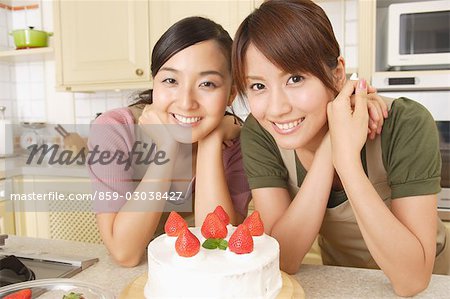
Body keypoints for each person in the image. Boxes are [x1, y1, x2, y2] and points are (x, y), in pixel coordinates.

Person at [232, 0, 449, 296]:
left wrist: (347, 161)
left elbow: (411, 280)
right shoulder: (260, 133)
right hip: (342, 283)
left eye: (295, 78)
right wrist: (332, 144)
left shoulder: (404, 123)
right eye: (258, 86)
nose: (277, 108)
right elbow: (283, 260)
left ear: (337, 74)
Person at [88, 16, 251, 267]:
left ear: (231, 93)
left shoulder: (237, 142)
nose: (186, 102)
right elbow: (125, 253)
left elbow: (219, 247)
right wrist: (167, 146)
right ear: (154, 82)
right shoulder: (115, 130)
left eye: (207, 84)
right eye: (171, 81)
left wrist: (211, 141)